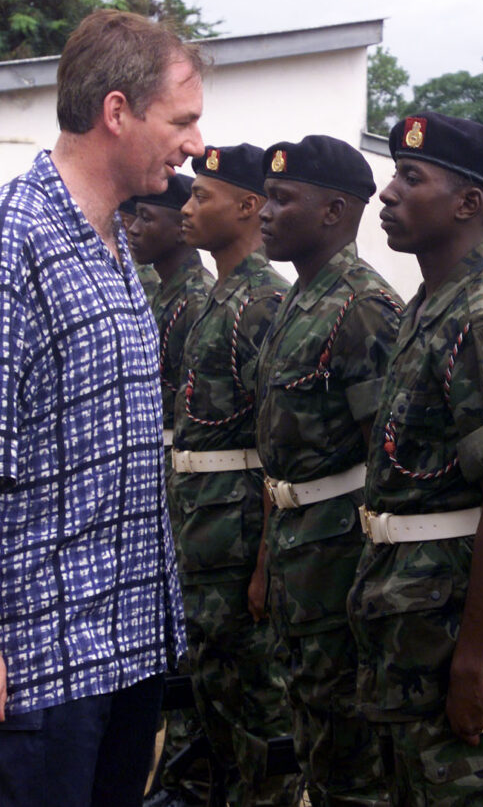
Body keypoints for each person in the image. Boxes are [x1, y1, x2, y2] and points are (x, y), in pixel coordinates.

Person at [0, 9, 203, 805]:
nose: (194, 144)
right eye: (182, 120)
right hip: (35, 670)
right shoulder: (5, 239)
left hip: (120, 657)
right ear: (118, 112)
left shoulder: (113, 250)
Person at [346, 112, 483, 804]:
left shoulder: (482, 321)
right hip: (405, 621)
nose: (387, 193)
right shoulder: (430, 308)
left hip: (448, 635)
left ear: (468, 203)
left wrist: (471, 664)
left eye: (412, 178)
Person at [252, 135, 402, 805]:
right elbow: (277, 458)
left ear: (336, 211)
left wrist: (372, 591)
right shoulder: (299, 299)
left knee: (352, 756)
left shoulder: (361, 307)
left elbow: (385, 464)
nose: (265, 210)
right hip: (297, 557)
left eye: (284, 199)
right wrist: (263, 561)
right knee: (314, 734)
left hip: (340, 565)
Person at [170, 143, 302, 805]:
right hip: (205, 529)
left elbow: (277, 446)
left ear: (248, 206)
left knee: (259, 706)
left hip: (241, 530)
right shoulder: (219, 296)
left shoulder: (265, 304)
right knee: (213, 695)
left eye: (203, 197)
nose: (187, 208)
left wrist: (264, 562)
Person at [127, 173, 216, 807]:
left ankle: (189, 776)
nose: (132, 227)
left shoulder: (195, 300)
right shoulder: (158, 295)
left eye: (145, 217)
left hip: (184, 481)